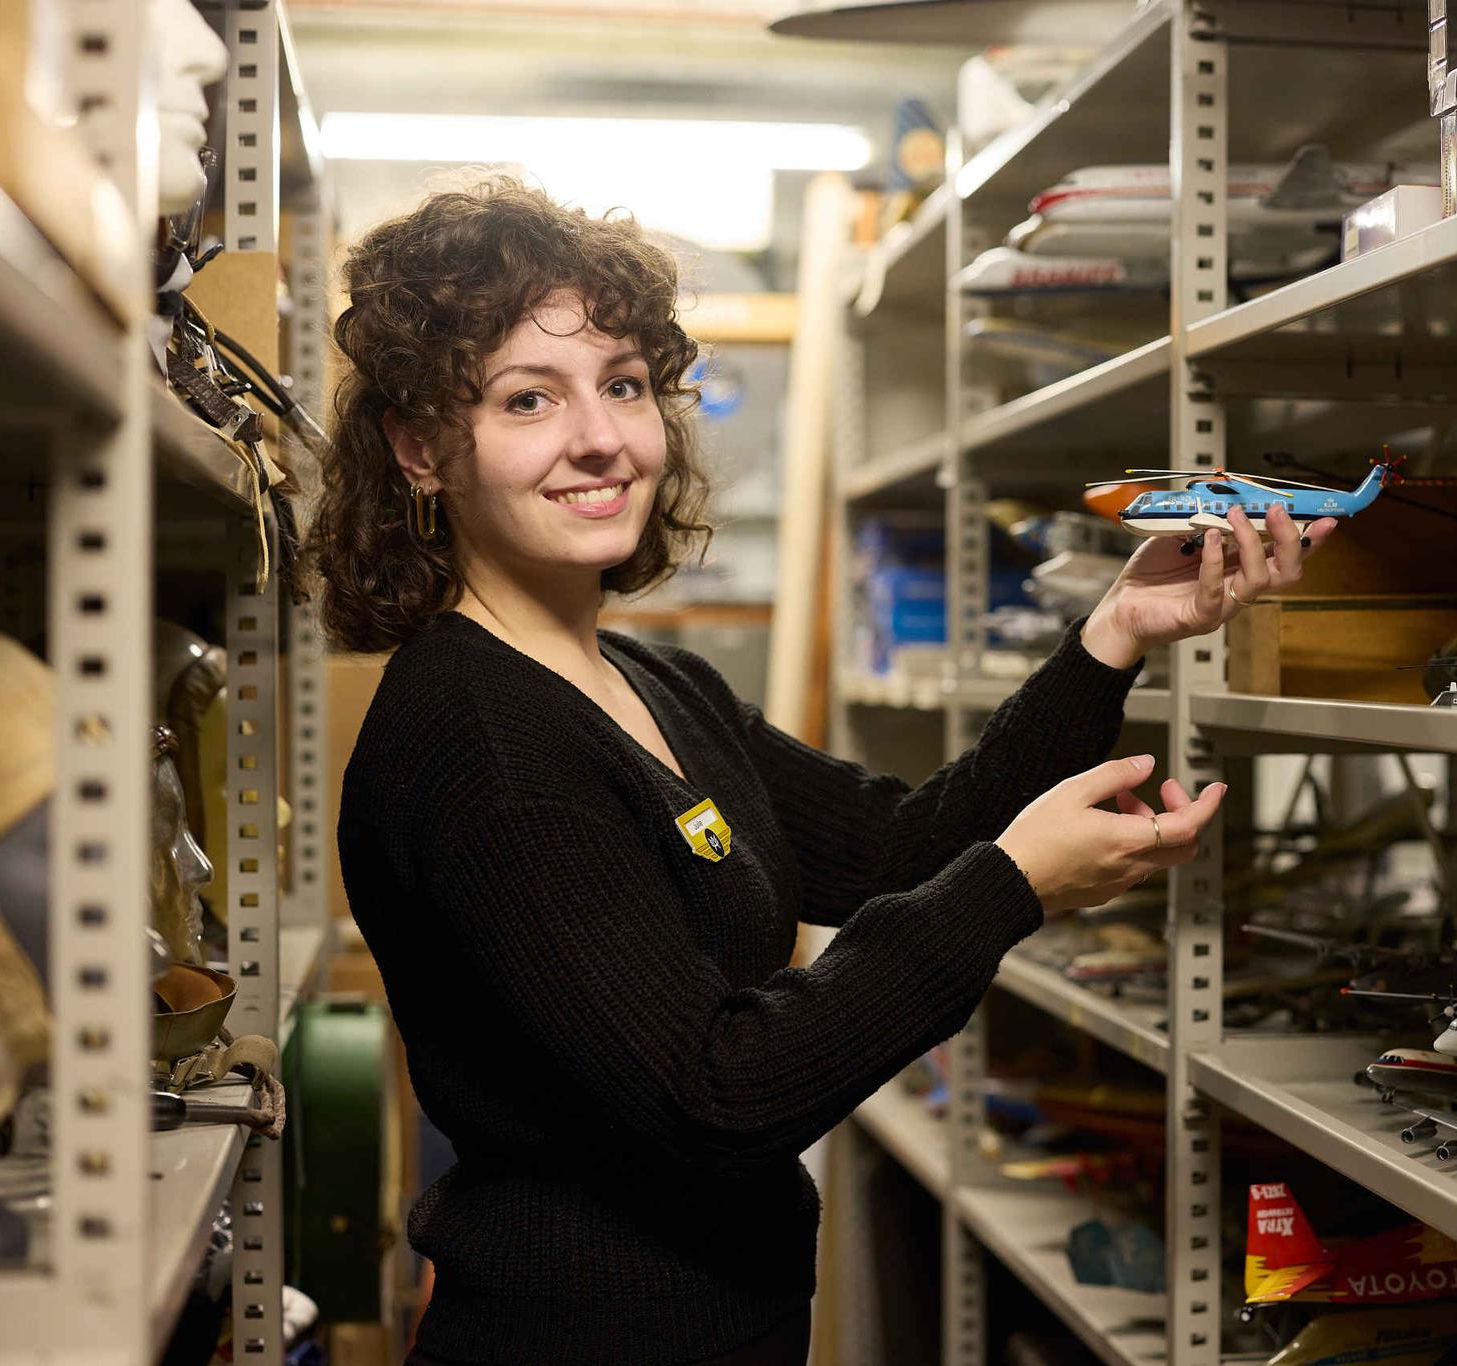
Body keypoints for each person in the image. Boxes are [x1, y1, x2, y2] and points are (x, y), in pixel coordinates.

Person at [307, 179, 1336, 1366]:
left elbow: (898, 848)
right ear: (421, 447)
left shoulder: (650, 683)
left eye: (625, 384)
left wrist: (1111, 631)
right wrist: (1012, 887)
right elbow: (720, 1090)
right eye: (526, 398)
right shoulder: (481, 742)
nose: (599, 438)